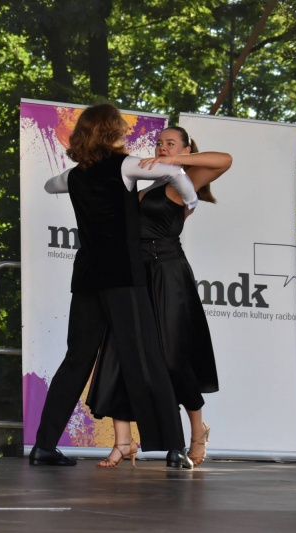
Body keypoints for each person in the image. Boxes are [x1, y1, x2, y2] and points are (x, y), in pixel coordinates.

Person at [29, 103, 198, 469]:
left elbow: (49, 184)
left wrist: (75, 177)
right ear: (111, 131)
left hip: (88, 278)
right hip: (122, 275)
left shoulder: (74, 176)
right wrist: (191, 201)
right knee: (147, 357)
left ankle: (43, 446)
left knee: (76, 361)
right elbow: (174, 172)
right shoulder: (125, 166)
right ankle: (173, 447)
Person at [87, 127, 232, 467]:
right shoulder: (148, 184)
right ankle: (123, 442)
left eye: (171, 143)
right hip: (135, 274)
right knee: (123, 351)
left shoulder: (186, 179)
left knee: (171, 358)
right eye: (159, 143)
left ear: (186, 149)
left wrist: (175, 160)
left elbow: (225, 160)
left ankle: (196, 432)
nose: (162, 147)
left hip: (168, 273)